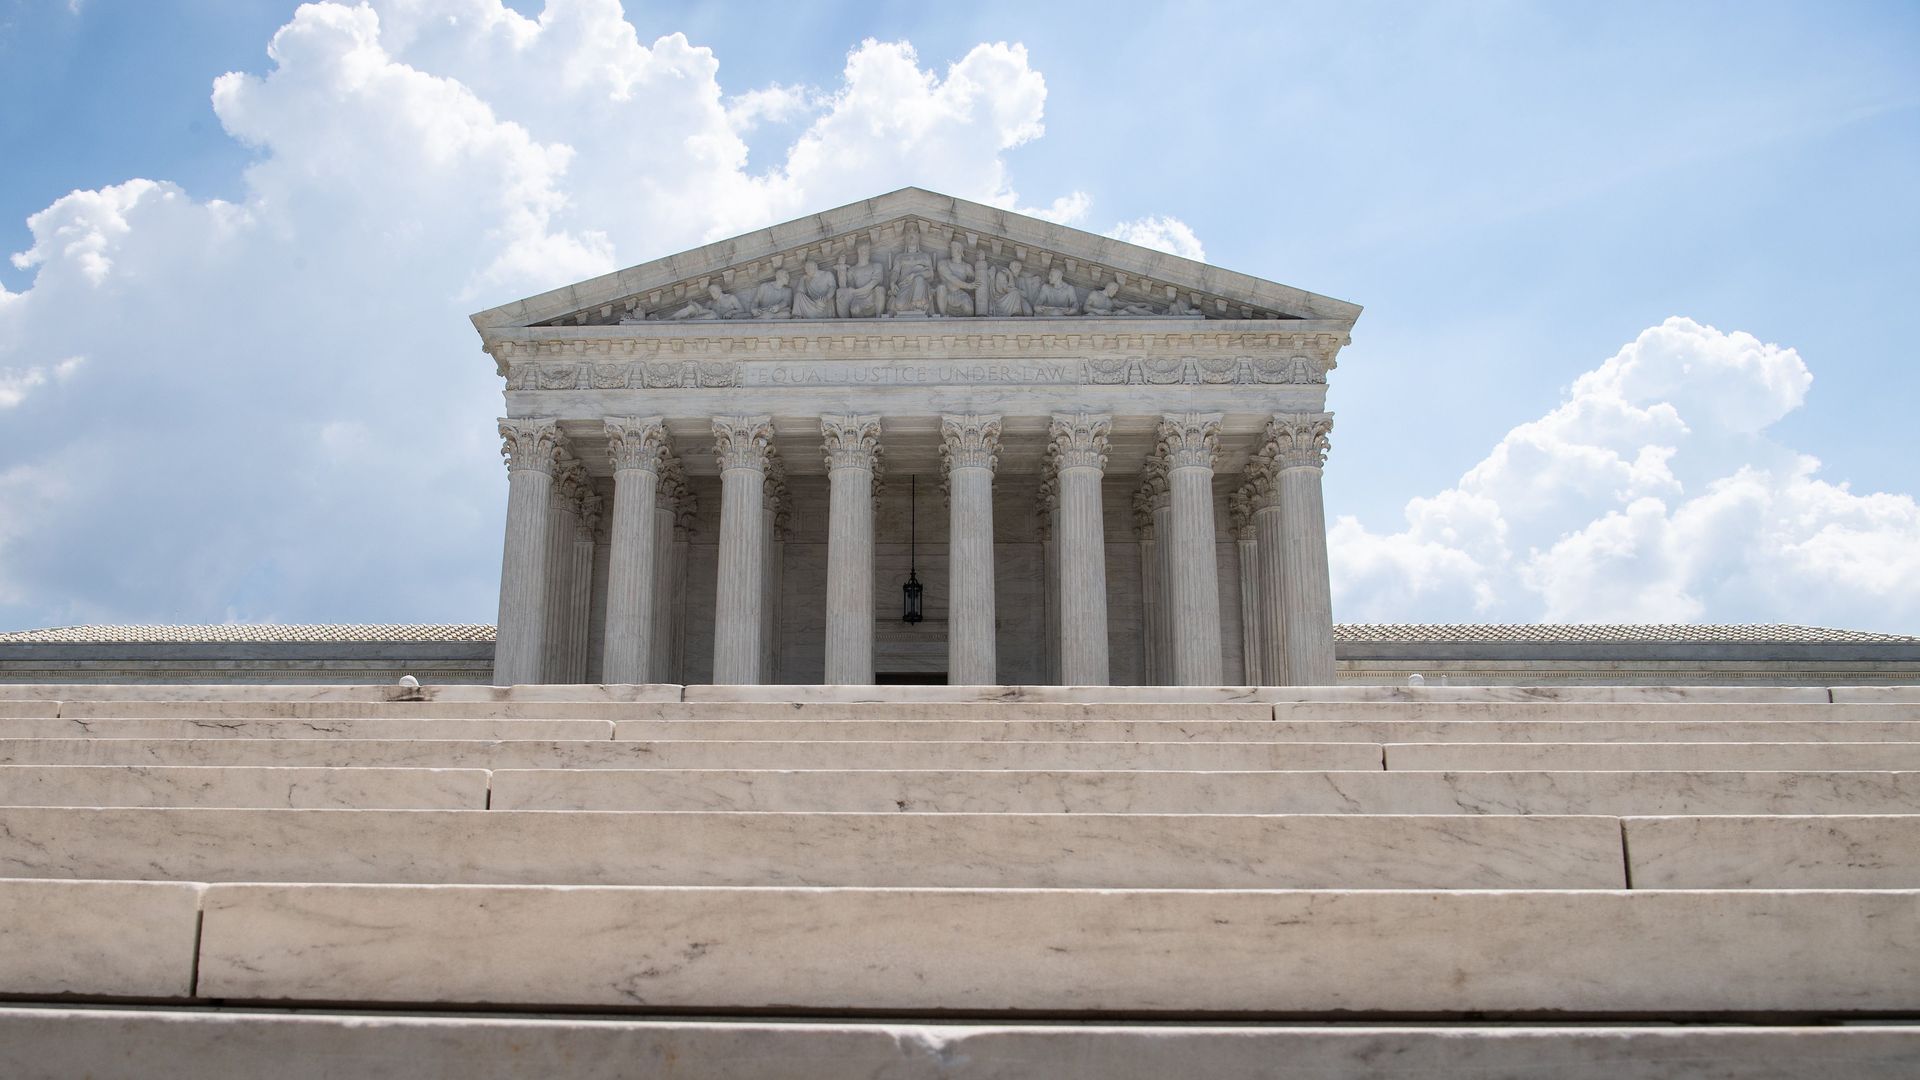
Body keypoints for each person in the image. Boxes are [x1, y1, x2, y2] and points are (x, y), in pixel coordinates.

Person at [887, 227, 936, 315]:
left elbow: (931, 275)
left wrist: (915, 275)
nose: (911, 238)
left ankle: (918, 305)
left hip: (921, 286)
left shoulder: (924, 256)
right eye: (909, 237)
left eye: (913, 236)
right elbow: (895, 272)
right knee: (899, 305)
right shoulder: (900, 257)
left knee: (919, 279)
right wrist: (892, 282)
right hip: (904, 285)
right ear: (905, 239)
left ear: (918, 239)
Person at [835, 241, 886, 318]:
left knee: (880, 289)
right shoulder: (852, 270)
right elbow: (846, 286)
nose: (865, 252)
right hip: (858, 297)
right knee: (844, 297)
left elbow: (875, 281)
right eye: (862, 250)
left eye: (867, 250)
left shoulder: (876, 266)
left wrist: (859, 291)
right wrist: (841, 267)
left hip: (872, 295)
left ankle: (878, 319)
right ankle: (844, 323)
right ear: (858, 252)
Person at [934, 238, 980, 317]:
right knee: (941, 288)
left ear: (960, 250)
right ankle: (942, 317)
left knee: (968, 306)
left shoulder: (966, 267)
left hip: (959, 294)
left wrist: (988, 274)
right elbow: (951, 277)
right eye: (951, 247)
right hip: (946, 294)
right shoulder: (943, 263)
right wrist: (968, 285)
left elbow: (978, 279)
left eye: (954, 247)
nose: (952, 249)